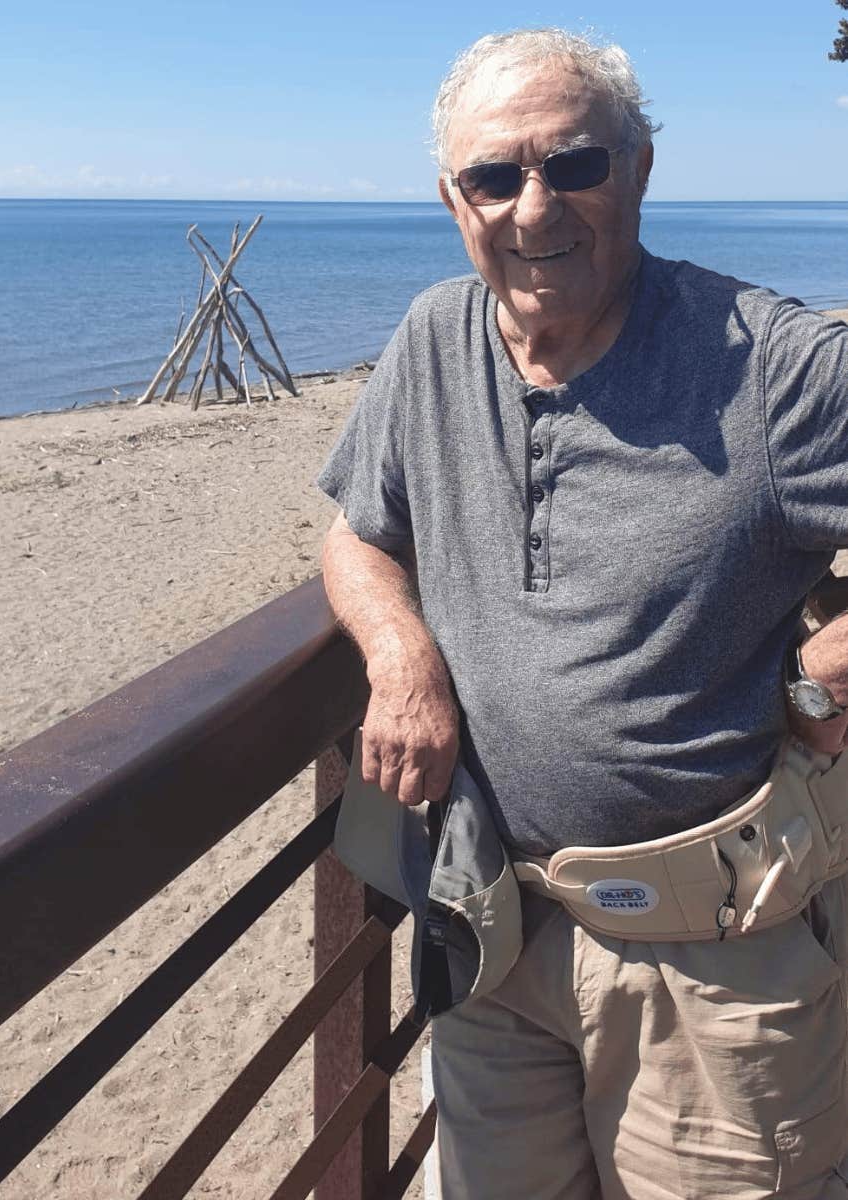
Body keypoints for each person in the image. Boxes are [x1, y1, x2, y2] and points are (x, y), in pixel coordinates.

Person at [317, 27, 848, 1200]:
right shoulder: (433, 339)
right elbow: (357, 530)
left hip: (715, 959)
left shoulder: (771, 365)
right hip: (491, 930)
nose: (534, 206)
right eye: (495, 177)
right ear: (453, 198)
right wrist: (403, 658)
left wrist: (831, 667)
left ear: (640, 167)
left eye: (576, 164)